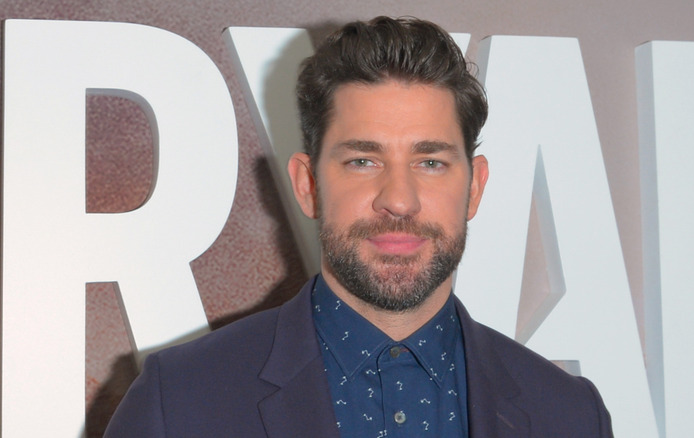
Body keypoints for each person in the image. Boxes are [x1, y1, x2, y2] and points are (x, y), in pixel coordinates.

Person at [105, 16, 613, 437]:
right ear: (307, 186)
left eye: (430, 162)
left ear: (475, 187)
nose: (398, 199)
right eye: (363, 161)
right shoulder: (179, 402)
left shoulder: (569, 415)